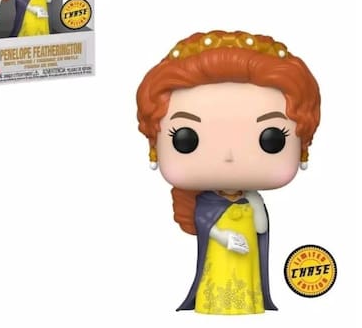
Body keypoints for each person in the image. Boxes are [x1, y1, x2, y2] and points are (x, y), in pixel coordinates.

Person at [136, 30, 321, 315]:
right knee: (220, 275)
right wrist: (223, 237)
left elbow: (261, 229)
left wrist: (255, 205)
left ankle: (250, 302)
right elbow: (203, 223)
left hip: (246, 258)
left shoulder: (251, 199)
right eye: (186, 138)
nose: (229, 156)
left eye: (272, 138)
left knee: (245, 276)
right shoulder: (206, 203)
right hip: (221, 253)